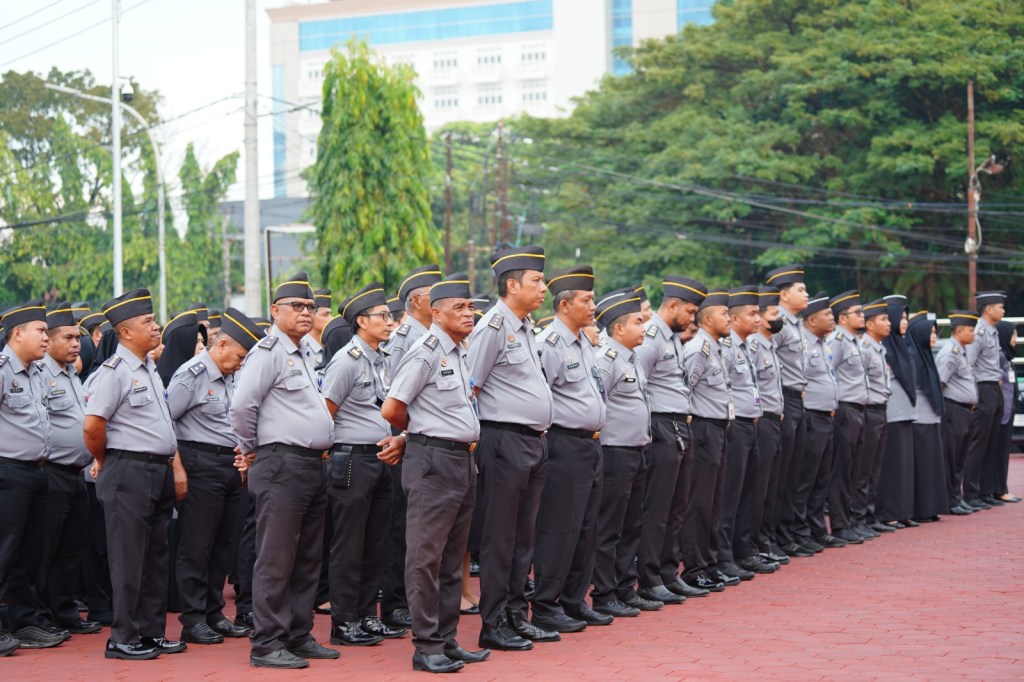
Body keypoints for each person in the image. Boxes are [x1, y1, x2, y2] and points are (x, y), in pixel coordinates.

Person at [382, 273, 490, 674]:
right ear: (436, 312)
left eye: (471, 307)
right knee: (424, 558)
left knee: (450, 558)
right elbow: (392, 408)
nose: (469, 313)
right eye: (459, 308)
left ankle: (446, 640)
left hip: (461, 461)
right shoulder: (426, 351)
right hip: (433, 460)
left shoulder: (460, 353)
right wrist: (420, 433)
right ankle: (426, 645)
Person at [230, 272, 338, 669]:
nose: (306, 312)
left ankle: (297, 632)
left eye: (311, 307)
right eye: (297, 306)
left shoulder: (307, 353)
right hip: (280, 464)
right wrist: (254, 449)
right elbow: (242, 407)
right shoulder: (268, 351)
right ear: (275, 311)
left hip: (312, 465)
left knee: (308, 557)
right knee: (276, 558)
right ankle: (267, 642)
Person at [83, 289, 186, 660]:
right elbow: (93, 425)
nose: (156, 326)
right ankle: (122, 637)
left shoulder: (150, 370)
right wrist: (105, 459)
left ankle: (150, 631)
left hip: (154, 472)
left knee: (156, 557)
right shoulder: (115, 372)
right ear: (125, 332)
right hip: (127, 470)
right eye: (148, 322)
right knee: (129, 559)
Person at [468, 246, 556, 650]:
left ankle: (517, 614)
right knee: (500, 538)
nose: (543, 287)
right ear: (512, 284)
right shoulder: (493, 327)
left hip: (533, 443)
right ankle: (494, 622)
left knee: (524, 536)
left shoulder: (524, 326)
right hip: (503, 440)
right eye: (536, 281)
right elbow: (469, 387)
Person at [169, 308, 264, 645]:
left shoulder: (231, 375)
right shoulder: (191, 375)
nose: (240, 363)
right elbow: (167, 423)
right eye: (238, 356)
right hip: (199, 462)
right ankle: (192, 618)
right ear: (222, 345)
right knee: (197, 543)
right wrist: (178, 467)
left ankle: (212, 611)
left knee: (222, 544)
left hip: (228, 464)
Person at [322, 283, 408, 646]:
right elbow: (326, 411)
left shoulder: (382, 358)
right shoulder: (347, 360)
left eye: (390, 316)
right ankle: (344, 622)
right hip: (351, 459)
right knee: (349, 545)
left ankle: (365, 615)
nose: (390, 322)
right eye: (383, 316)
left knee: (376, 543)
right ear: (361, 321)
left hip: (380, 458)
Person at [531, 266, 610, 633]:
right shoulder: (549, 344)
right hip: (564, 445)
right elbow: (540, 396)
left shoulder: (583, 342)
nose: (593, 305)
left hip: (591, 446)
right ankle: (546, 604)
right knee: (560, 528)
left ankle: (575, 601)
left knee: (586, 528)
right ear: (564, 305)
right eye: (587, 300)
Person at [632, 276, 711, 604]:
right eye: (690, 312)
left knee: (677, 506)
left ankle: (667, 572)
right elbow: (637, 382)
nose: (693, 320)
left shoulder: (674, 338)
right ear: (673, 306)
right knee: (658, 508)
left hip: (680, 425)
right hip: (661, 426)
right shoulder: (652, 337)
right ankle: (649, 578)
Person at [381, 264, 444, 631]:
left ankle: (407, 601)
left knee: (416, 527)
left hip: (419, 437)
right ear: (419, 300)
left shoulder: (430, 335)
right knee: (401, 525)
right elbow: (395, 394)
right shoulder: (407, 336)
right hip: (405, 435)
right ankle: (394, 603)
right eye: (435, 294)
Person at [0, 299, 63, 655]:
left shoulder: (38, 372)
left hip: (39, 473)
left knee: (30, 554)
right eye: (40, 331)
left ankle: (24, 622)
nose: (45, 337)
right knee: (4, 551)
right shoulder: (3, 369)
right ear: (17, 333)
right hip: (9, 472)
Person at [589, 288, 655, 617]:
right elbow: (596, 405)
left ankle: (625, 588)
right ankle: (604, 593)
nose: (645, 328)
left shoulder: (632, 359)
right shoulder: (606, 361)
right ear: (618, 329)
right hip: (615, 453)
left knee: (632, 525)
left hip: (637, 450)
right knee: (609, 527)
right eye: (638, 322)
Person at [39, 304, 102, 637]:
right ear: (48, 341)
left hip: (76, 474)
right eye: (68, 337)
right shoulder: (40, 376)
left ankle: (64, 611)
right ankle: (41, 615)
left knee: (71, 548)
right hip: (51, 472)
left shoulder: (73, 376)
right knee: (45, 549)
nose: (77, 343)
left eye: (78, 337)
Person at [680, 290, 735, 591]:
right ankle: (694, 568)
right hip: (702, 429)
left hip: (718, 429)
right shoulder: (698, 348)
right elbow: (684, 390)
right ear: (708, 318)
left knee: (714, 501)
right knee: (699, 503)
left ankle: (709, 563)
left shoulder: (717, 347)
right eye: (724, 314)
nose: (729, 319)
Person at [716, 286, 765, 582]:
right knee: (729, 495)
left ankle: (743, 549)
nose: (758, 319)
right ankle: (725, 556)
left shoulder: (747, 345)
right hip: (735, 426)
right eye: (752, 314)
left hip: (752, 424)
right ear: (733, 319)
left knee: (750, 492)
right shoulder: (723, 347)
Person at [764, 265, 810, 559]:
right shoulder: (777, 324)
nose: (805, 294)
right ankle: (778, 535)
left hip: (798, 399)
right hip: (783, 400)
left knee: (795, 472)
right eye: (800, 290)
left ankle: (789, 531)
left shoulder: (796, 324)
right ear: (783, 294)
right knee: (780, 474)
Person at [795, 292, 842, 551]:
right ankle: (800, 531)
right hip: (811, 416)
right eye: (827, 315)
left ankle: (816, 529)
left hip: (827, 416)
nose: (832, 319)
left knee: (821, 478)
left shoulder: (824, 343)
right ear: (811, 319)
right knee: (806, 478)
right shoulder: (802, 343)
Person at [825, 291, 869, 545]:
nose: (862, 316)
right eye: (858, 313)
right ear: (843, 318)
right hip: (845, 409)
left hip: (858, 409)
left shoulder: (854, 341)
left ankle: (852, 520)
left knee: (856, 468)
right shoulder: (838, 340)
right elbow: (827, 373)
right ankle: (840, 524)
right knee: (842, 469)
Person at [751, 286, 789, 569]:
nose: (779, 318)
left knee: (771, 486)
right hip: (759, 420)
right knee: (757, 488)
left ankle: (764, 540)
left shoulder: (770, 344)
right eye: (774, 313)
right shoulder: (752, 346)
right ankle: (753, 545)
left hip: (774, 419)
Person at [851, 300, 891, 536]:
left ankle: (868, 514)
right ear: (870, 323)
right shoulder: (864, 347)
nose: (888, 323)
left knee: (874, 469)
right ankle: (858, 517)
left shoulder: (878, 347)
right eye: (883, 319)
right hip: (868, 410)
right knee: (862, 470)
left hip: (881, 409)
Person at [964, 291, 1007, 509]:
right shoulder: (979, 331)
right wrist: (973, 394)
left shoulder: (993, 331)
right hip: (983, 388)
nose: (1003, 310)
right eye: (1000, 306)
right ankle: (971, 493)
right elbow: (969, 364)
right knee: (979, 441)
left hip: (995, 388)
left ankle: (985, 490)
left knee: (992, 441)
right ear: (989, 308)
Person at [875, 299, 916, 527]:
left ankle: (902, 511)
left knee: (903, 467)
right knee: (891, 467)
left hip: (905, 412)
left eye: (905, 318)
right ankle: (888, 512)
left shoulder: (902, 346)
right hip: (890, 413)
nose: (904, 322)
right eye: (900, 317)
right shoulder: (884, 348)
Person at [937, 311, 979, 515]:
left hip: (965, 412)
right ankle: (949, 500)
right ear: (960, 330)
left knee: (960, 458)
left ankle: (956, 496)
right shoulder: (950, 352)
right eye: (971, 330)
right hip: (953, 410)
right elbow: (940, 382)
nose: (975, 334)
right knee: (951, 457)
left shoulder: (962, 351)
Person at [906, 313, 946, 523]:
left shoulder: (925, 355)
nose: (933, 337)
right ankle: (920, 509)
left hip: (931, 417)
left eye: (934, 332)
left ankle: (930, 508)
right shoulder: (912, 355)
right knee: (921, 467)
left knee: (931, 466)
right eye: (929, 332)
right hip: (919, 418)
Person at [992, 321, 1020, 503]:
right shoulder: (1000, 356)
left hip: (1008, 411)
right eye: (1013, 335)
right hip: (1001, 412)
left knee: (1003, 452)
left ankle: (1001, 487)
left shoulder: (1007, 357)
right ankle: (998, 489)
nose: (1016, 340)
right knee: (998, 453)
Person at [304, 289, 333, 368]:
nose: (331, 318)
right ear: (311, 315)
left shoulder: (330, 346)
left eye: (331, 313)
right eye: (325, 314)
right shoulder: (302, 348)